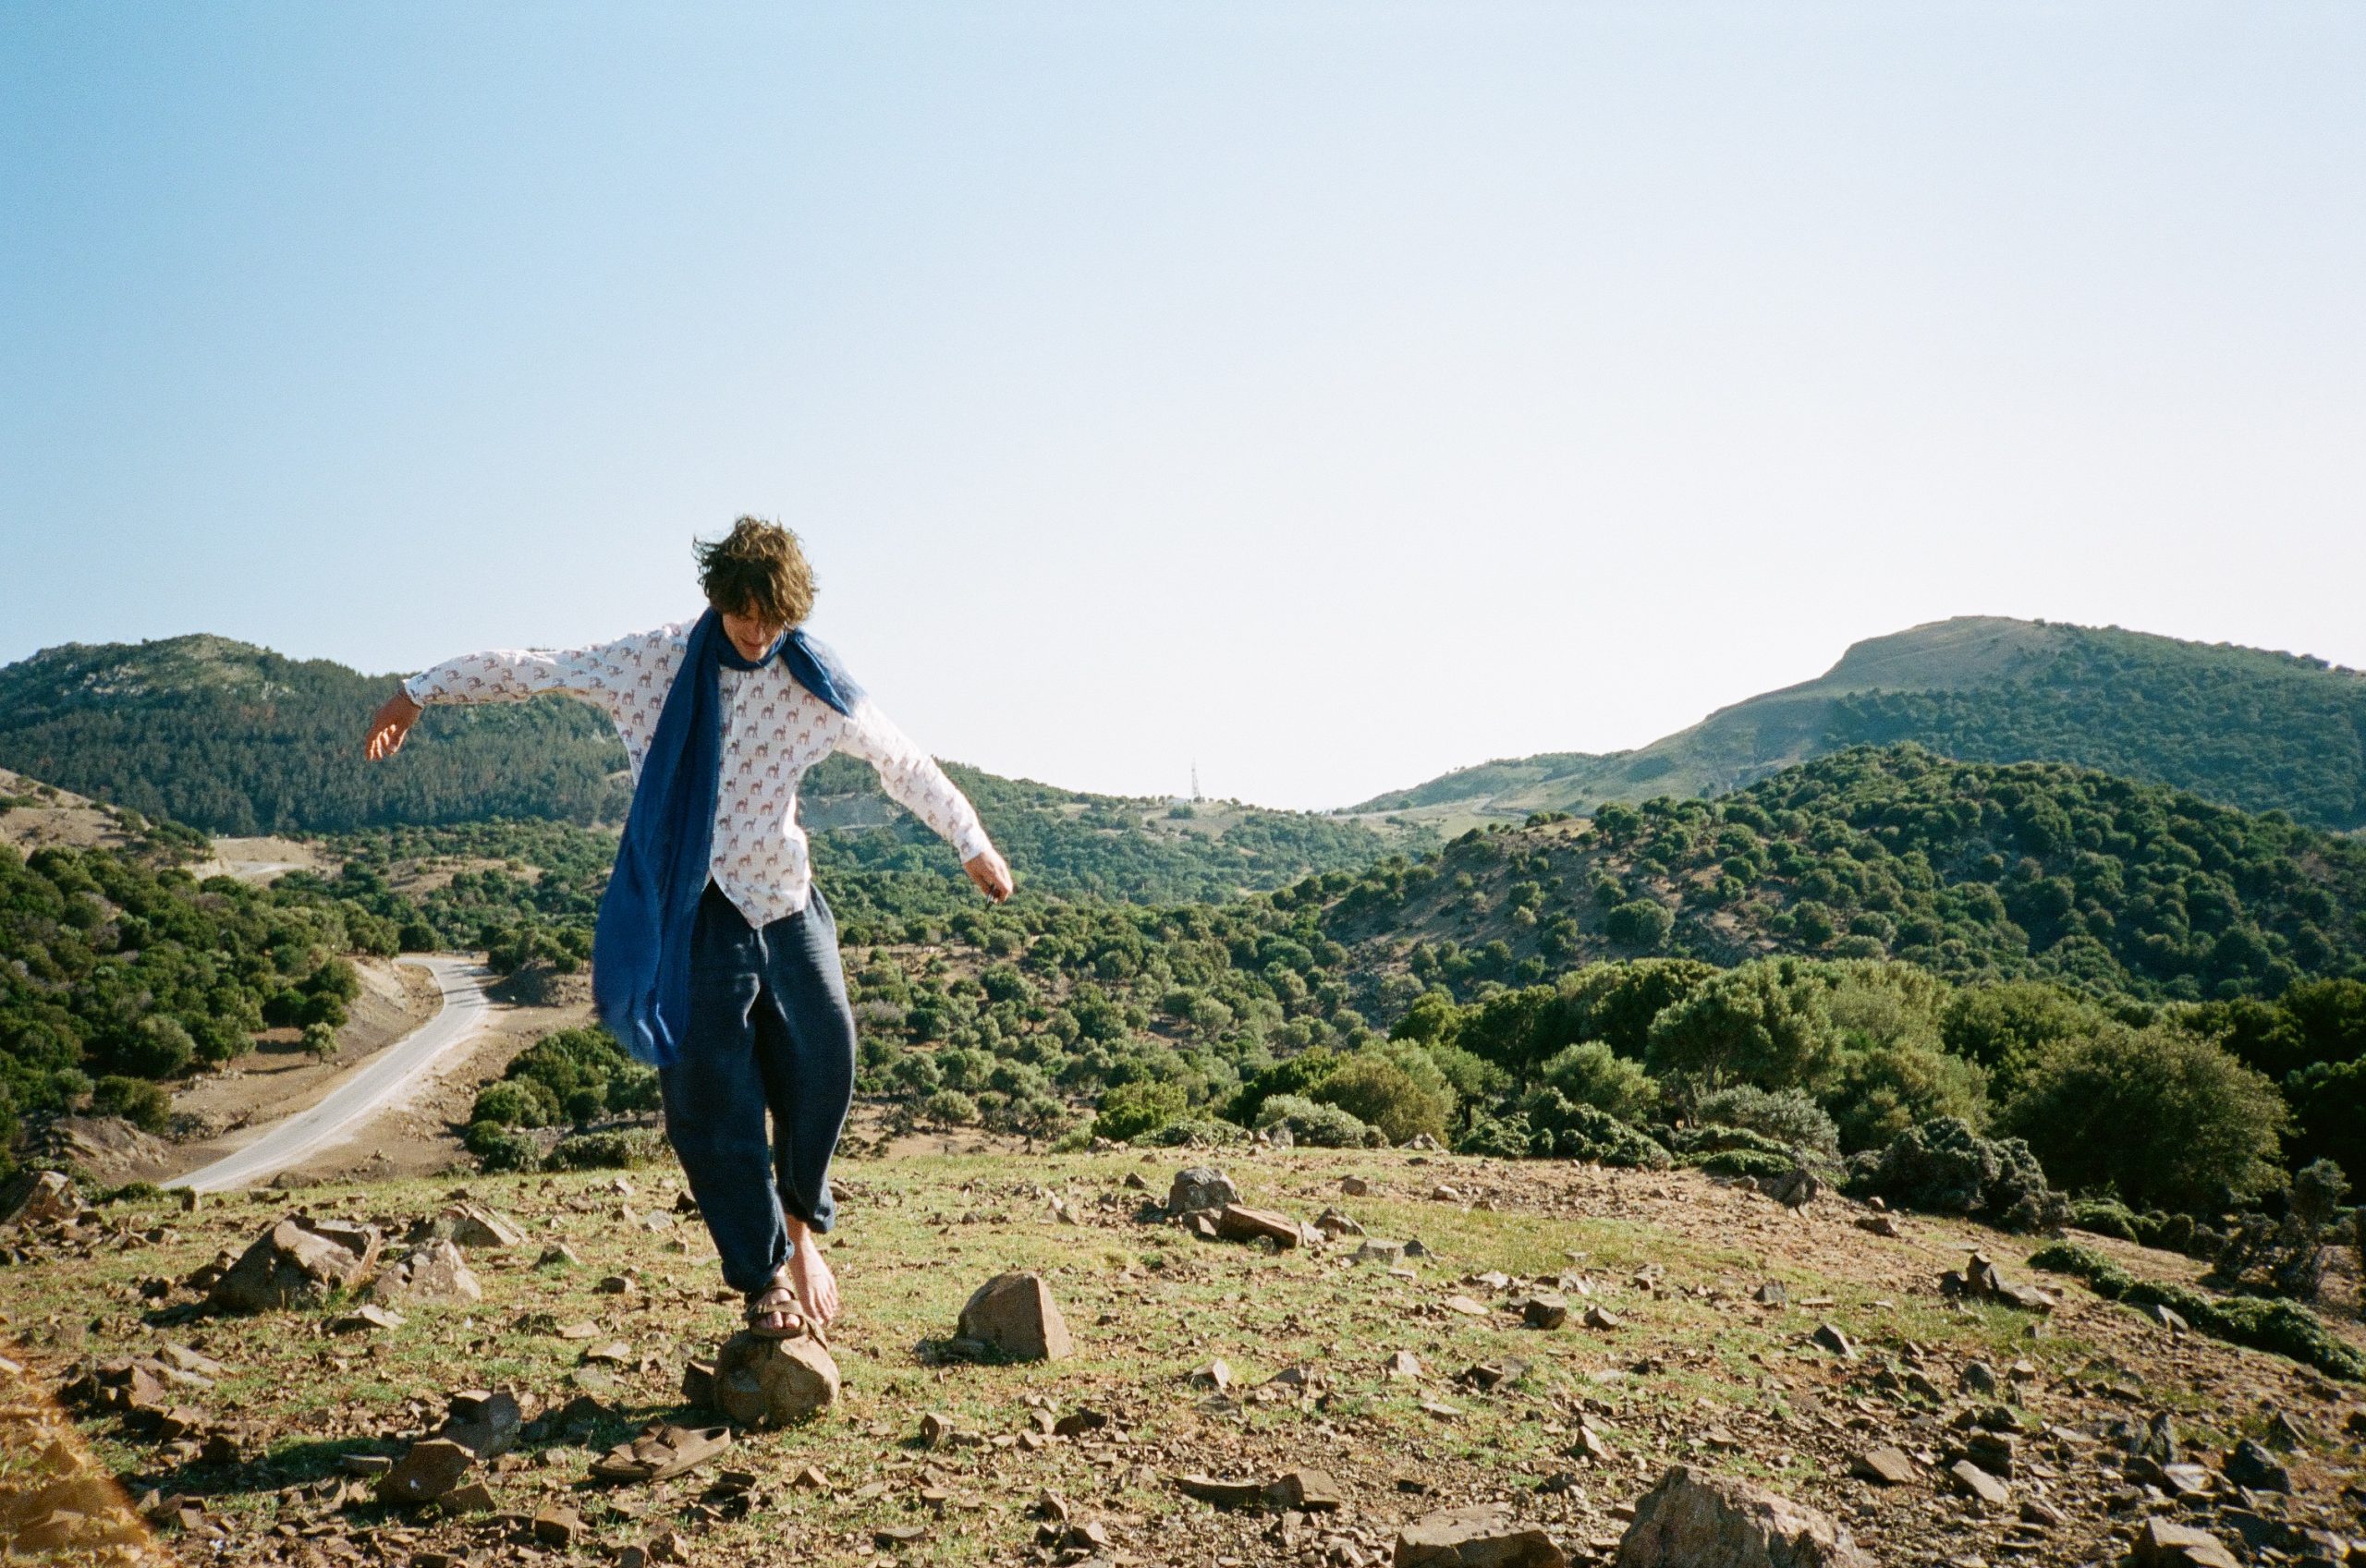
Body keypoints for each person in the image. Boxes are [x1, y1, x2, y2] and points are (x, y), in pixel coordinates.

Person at [362, 517, 1012, 1337]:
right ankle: (764, 1272)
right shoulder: (655, 661)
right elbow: (536, 669)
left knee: (827, 1055)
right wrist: (417, 691)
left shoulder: (814, 679)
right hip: (694, 905)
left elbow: (902, 762)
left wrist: (971, 842)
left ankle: (802, 1225)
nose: (759, 633)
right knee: (709, 1095)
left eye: (775, 619)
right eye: (745, 615)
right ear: (719, 597)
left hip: (782, 898)